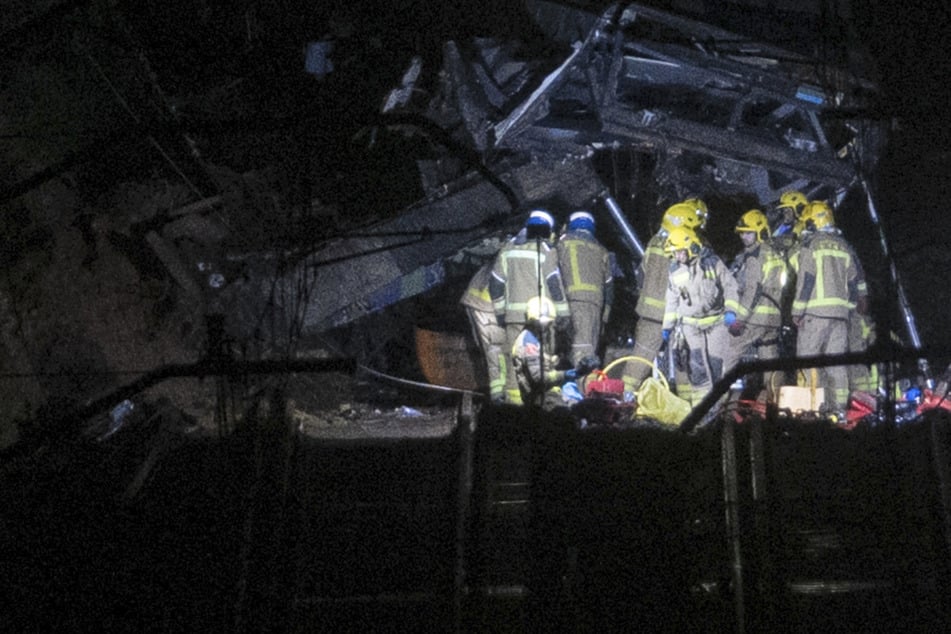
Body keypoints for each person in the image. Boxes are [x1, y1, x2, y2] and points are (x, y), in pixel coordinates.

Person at [621, 199, 708, 394]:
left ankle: (621, 399)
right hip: (676, 314)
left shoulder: (654, 242)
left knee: (640, 358)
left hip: (649, 313)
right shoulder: (686, 247)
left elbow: (641, 273)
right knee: (682, 362)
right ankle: (688, 406)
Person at [791, 200, 869, 414]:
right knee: (837, 365)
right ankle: (840, 411)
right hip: (841, 317)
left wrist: (797, 311)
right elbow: (854, 281)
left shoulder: (811, 245)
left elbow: (806, 280)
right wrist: (848, 307)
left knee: (809, 362)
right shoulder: (844, 245)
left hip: (815, 315)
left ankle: (813, 411)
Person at [489, 209, 571, 405]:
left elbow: (495, 284)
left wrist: (501, 312)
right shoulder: (546, 252)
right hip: (541, 319)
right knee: (542, 363)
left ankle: (514, 410)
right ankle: (540, 407)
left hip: (514, 319)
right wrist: (563, 313)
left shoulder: (507, 250)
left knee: (513, 365)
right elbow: (554, 285)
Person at [661, 225, 742, 408]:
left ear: (692, 247)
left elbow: (730, 286)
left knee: (716, 365)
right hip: (690, 326)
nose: (678, 257)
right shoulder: (675, 270)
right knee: (697, 368)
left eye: (680, 252)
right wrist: (667, 328)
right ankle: (702, 411)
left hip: (716, 323)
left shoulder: (712, 262)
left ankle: (720, 408)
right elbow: (672, 301)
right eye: (674, 253)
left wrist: (731, 311)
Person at [728, 209, 788, 402]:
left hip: (756, 318)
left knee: (728, 353)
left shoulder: (754, 256)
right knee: (769, 363)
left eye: (749, 232)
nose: (744, 237)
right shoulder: (774, 254)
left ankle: (718, 401)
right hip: (774, 318)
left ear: (760, 232)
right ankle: (773, 402)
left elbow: (752, 290)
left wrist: (740, 319)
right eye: (743, 233)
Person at [555, 210, 614, 369]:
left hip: (570, 301)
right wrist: (605, 316)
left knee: (575, 351)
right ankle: (583, 386)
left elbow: (551, 273)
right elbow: (609, 286)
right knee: (588, 349)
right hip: (595, 307)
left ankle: (581, 389)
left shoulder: (562, 243)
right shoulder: (602, 249)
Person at [459, 261, 507, 403]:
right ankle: (499, 396)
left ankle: (499, 391)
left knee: (495, 351)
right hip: (486, 305)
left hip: (481, 301)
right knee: (496, 349)